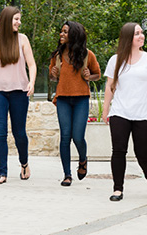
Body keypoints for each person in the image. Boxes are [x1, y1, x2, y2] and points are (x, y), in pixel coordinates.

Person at [102, 22, 147, 202]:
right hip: (120, 112)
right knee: (118, 150)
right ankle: (118, 189)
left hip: (143, 113)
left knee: (142, 152)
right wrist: (106, 110)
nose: (141, 36)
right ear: (128, 37)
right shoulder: (115, 60)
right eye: (137, 33)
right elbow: (110, 86)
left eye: (142, 33)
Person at [0, 6, 37, 184]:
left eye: (19, 19)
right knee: (0, 132)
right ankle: (2, 173)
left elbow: (32, 65)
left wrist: (32, 82)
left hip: (19, 92)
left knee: (19, 132)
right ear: (7, 20)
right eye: (16, 19)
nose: (19, 23)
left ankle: (24, 163)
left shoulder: (22, 40)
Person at [49, 21, 101, 187]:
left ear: (74, 35)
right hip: (63, 98)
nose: (61, 34)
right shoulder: (57, 55)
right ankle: (67, 175)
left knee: (78, 137)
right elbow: (52, 77)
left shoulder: (87, 55)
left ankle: (83, 160)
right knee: (65, 137)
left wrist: (88, 76)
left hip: (81, 99)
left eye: (65, 32)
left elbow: (97, 74)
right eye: (61, 31)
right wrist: (53, 74)